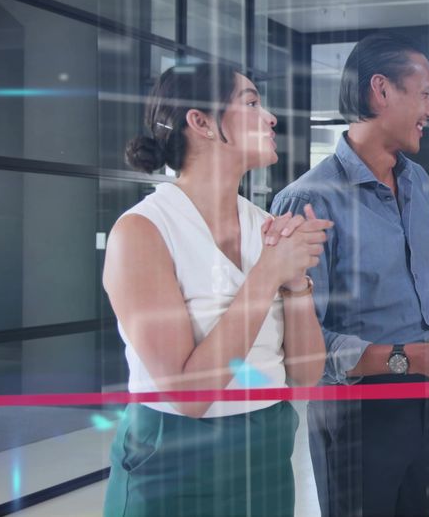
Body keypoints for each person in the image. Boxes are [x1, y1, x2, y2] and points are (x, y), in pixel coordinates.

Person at [271, 32, 429, 517]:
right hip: (355, 411)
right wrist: (411, 358)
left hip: (419, 399)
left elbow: (416, 298)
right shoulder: (309, 200)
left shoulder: (415, 181)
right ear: (382, 90)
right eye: (425, 93)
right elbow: (309, 349)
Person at [102, 62, 330, 516]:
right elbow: (189, 396)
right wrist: (267, 274)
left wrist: (296, 280)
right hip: (172, 465)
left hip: (265, 455)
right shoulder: (142, 232)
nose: (270, 118)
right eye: (250, 103)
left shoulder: (265, 227)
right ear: (201, 122)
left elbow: (306, 375)